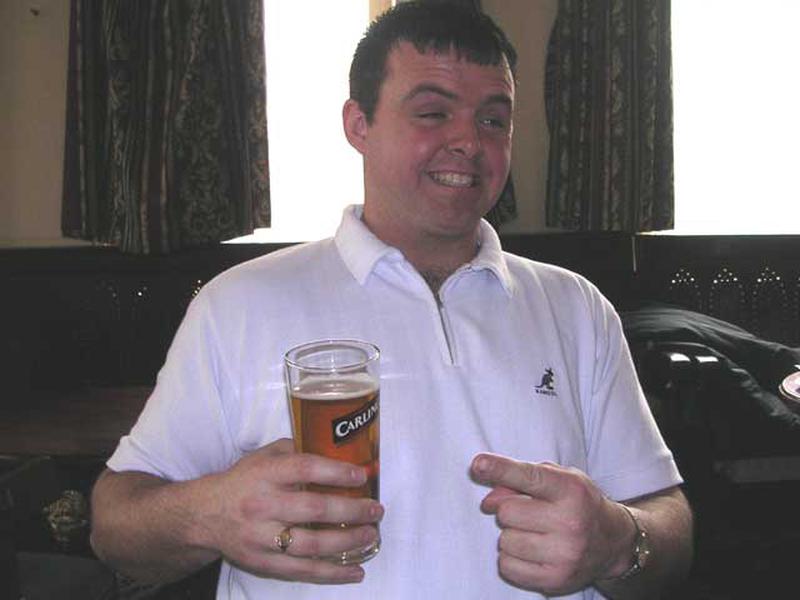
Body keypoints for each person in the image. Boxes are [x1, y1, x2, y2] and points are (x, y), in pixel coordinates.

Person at [90, 3, 693, 598]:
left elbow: (668, 520)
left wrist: (619, 541)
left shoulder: (577, 307)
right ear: (359, 125)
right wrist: (209, 514)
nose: (468, 141)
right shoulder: (237, 303)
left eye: (493, 120)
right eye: (433, 112)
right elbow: (113, 525)